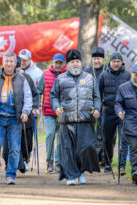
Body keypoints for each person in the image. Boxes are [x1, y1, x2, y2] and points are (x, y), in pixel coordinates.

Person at [50, 49, 101, 185]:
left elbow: (97, 97)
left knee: (86, 147)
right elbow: (53, 96)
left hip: (86, 119)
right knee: (68, 149)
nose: (75, 64)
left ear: (81, 62)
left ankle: (82, 171)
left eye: (77, 61)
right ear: (68, 64)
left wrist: (97, 109)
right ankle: (72, 175)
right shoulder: (60, 79)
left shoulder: (90, 78)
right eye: (72, 62)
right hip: (67, 119)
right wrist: (56, 108)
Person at [0, 52, 33, 185]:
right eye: (7, 61)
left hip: (14, 119)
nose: (9, 64)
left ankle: (10, 174)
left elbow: (28, 98)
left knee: (15, 148)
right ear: (3, 62)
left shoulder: (22, 79)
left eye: (12, 61)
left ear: (16, 63)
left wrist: (26, 112)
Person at [2, 56, 39, 173]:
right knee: (9, 142)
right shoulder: (3, 78)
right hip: (10, 116)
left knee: (26, 141)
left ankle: (25, 159)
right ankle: (10, 163)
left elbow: (34, 95)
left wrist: (35, 108)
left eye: (18, 67)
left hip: (26, 116)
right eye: (15, 66)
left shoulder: (27, 78)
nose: (16, 69)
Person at [98, 52, 131, 174]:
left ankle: (122, 166)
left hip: (123, 113)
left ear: (122, 62)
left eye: (118, 61)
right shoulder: (103, 75)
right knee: (107, 139)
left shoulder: (128, 75)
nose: (116, 64)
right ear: (110, 63)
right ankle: (107, 162)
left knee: (124, 139)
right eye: (113, 61)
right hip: (108, 112)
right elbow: (98, 93)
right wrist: (99, 107)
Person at [37, 53, 66, 173]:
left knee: (60, 136)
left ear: (63, 63)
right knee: (50, 134)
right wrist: (38, 105)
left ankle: (58, 163)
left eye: (60, 63)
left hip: (63, 111)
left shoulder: (67, 74)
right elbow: (38, 91)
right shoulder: (45, 74)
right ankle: (49, 161)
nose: (58, 65)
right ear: (52, 63)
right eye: (56, 62)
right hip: (48, 111)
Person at [84, 47, 106, 165]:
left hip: (104, 106)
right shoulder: (87, 72)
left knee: (102, 133)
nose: (96, 61)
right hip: (89, 107)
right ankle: (93, 157)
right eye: (94, 59)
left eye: (99, 59)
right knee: (90, 133)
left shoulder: (107, 70)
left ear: (103, 59)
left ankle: (102, 156)